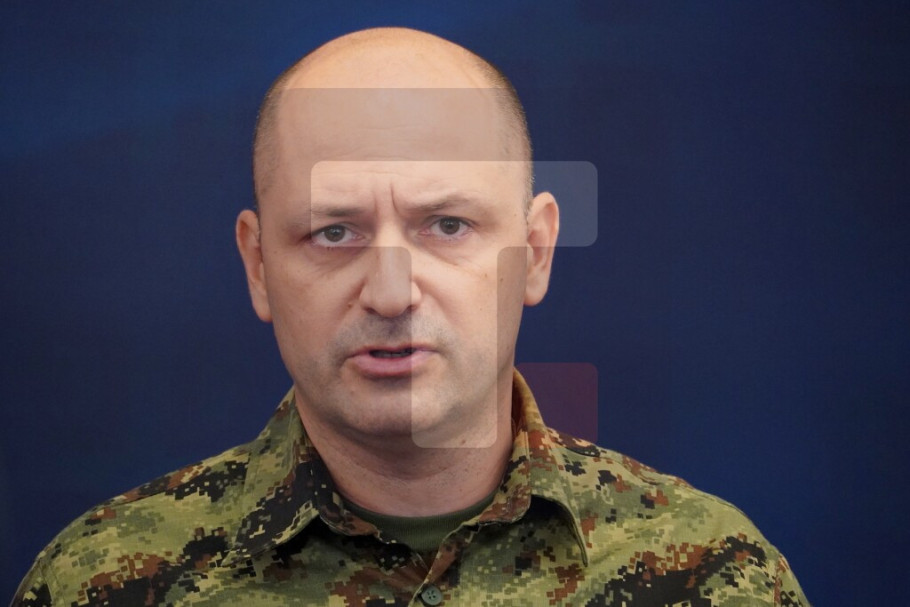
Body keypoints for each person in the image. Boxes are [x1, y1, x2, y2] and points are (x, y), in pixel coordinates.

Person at [11, 27, 809, 606]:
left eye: (447, 225)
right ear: (258, 266)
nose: (391, 294)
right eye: (334, 232)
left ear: (535, 251)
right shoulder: (100, 582)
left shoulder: (712, 575)